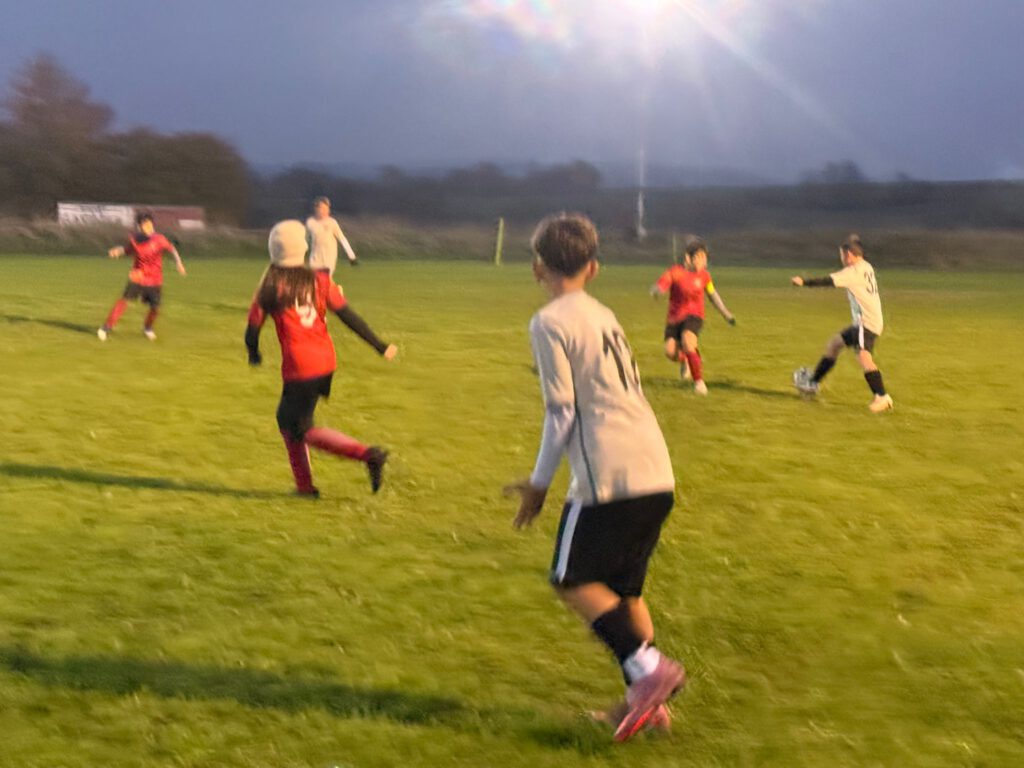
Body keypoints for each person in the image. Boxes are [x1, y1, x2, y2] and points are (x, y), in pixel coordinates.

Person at [505, 213, 685, 742]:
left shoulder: (549, 322)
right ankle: (646, 705)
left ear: (537, 267)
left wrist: (539, 484)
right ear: (595, 268)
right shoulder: (604, 314)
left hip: (609, 473)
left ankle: (649, 671)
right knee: (625, 594)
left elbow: (561, 411)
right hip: (655, 467)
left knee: (572, 580)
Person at [245, 220, 397, 497]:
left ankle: (367, 455)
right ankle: (305, 487)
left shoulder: (270, 287)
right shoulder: (320, 280)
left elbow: (252, 330)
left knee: (299, 428)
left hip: (300, 366)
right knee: (291, 422)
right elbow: (349, 316)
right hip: (325, 361)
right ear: (302, 248)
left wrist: (254, 354)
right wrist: (379, 346)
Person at [791, 234, 894, 412]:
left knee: (864, 357)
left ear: (849, 255)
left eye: (842, 254)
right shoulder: (866, 266)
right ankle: (812, 383)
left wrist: (803, 282)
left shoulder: (852, 272)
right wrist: (854, 240)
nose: (841, 258)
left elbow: (828, 281)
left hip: (866, 322)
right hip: (866, 321)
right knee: (834, 344)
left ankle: (882, 396)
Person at [650, 236, 736, 395]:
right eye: (700, 257)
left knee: (688, 340)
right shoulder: (675, 272)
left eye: (705, 258)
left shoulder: (705, 276)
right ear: (688, 258)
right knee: (670, 352)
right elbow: (663, 282)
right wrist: (657, 290)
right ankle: (687, 360)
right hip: (674, 318)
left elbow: (713, 295)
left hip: (694, 316)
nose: (704, 262)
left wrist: (726, 313)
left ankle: (699, 383)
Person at [97, 211, 186, 341]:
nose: (147, 227)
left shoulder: (159, 239)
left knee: (155, 308)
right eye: (144, 225)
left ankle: (148, 328)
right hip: (138, 276)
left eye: (149, 224)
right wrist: (118, 251)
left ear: (152, 224)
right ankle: (106, 327)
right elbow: (128, 250)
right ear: (139, 226)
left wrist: (179, 263)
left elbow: (172, 249)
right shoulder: (135, 239)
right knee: (124, 301)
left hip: (154, 279)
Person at [306, 196, 359, 286]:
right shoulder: (310, 222)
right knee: (314, 282)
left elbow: (342, 239)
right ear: (316, 209)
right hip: (315, 259)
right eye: (322, 208)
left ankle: (337, 292)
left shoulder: (332, 223)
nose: (324, 211)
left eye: (326, 208)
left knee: (325, 282)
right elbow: (305, 239)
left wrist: (351, 256)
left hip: (328, 258)